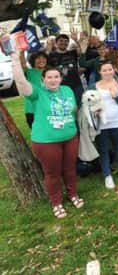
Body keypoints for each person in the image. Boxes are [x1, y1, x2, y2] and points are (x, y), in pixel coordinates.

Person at [10, 49, 82, 218]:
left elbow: (74, 110)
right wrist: (14, 59)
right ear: (43, 79)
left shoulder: (67, 90)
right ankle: (56, 202)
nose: (53, 80)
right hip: (46, 141)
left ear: (61, 78)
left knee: (70, 169)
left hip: (70, 137)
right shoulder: (37, 93)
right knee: (52, 173)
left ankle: (73, 194)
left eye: (56, 77)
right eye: (49, 77)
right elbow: (20, 82)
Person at [89, 60, 118, 189]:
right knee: (103, 150)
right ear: (100, 72)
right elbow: (88, 104)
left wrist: (115, 96)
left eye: (110, 69)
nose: (108, 72)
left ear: (114, 70)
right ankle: (108, 175)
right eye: (104, 70)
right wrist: (94, 110)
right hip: (101, 124)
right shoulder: (93, 86)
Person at [48, 33, 84, 104]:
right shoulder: (51, 55)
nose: (63, 43)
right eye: (61, 41)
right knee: (66, 107)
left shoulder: (72, 52)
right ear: (56, 42)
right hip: (61, 87)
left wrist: (76, 41)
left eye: (66, 41)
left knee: (80, 105)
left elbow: (81, 52)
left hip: (76, 85)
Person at [21, 51, 49, 128]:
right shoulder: (29, 72)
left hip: (48, 107)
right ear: (33, 60)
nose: (41, 60)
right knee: (38, 134)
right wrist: (22, 52)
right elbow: (23, 64)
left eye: (43, 58)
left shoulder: (50, 72)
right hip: (32, 109)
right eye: (38, 58)